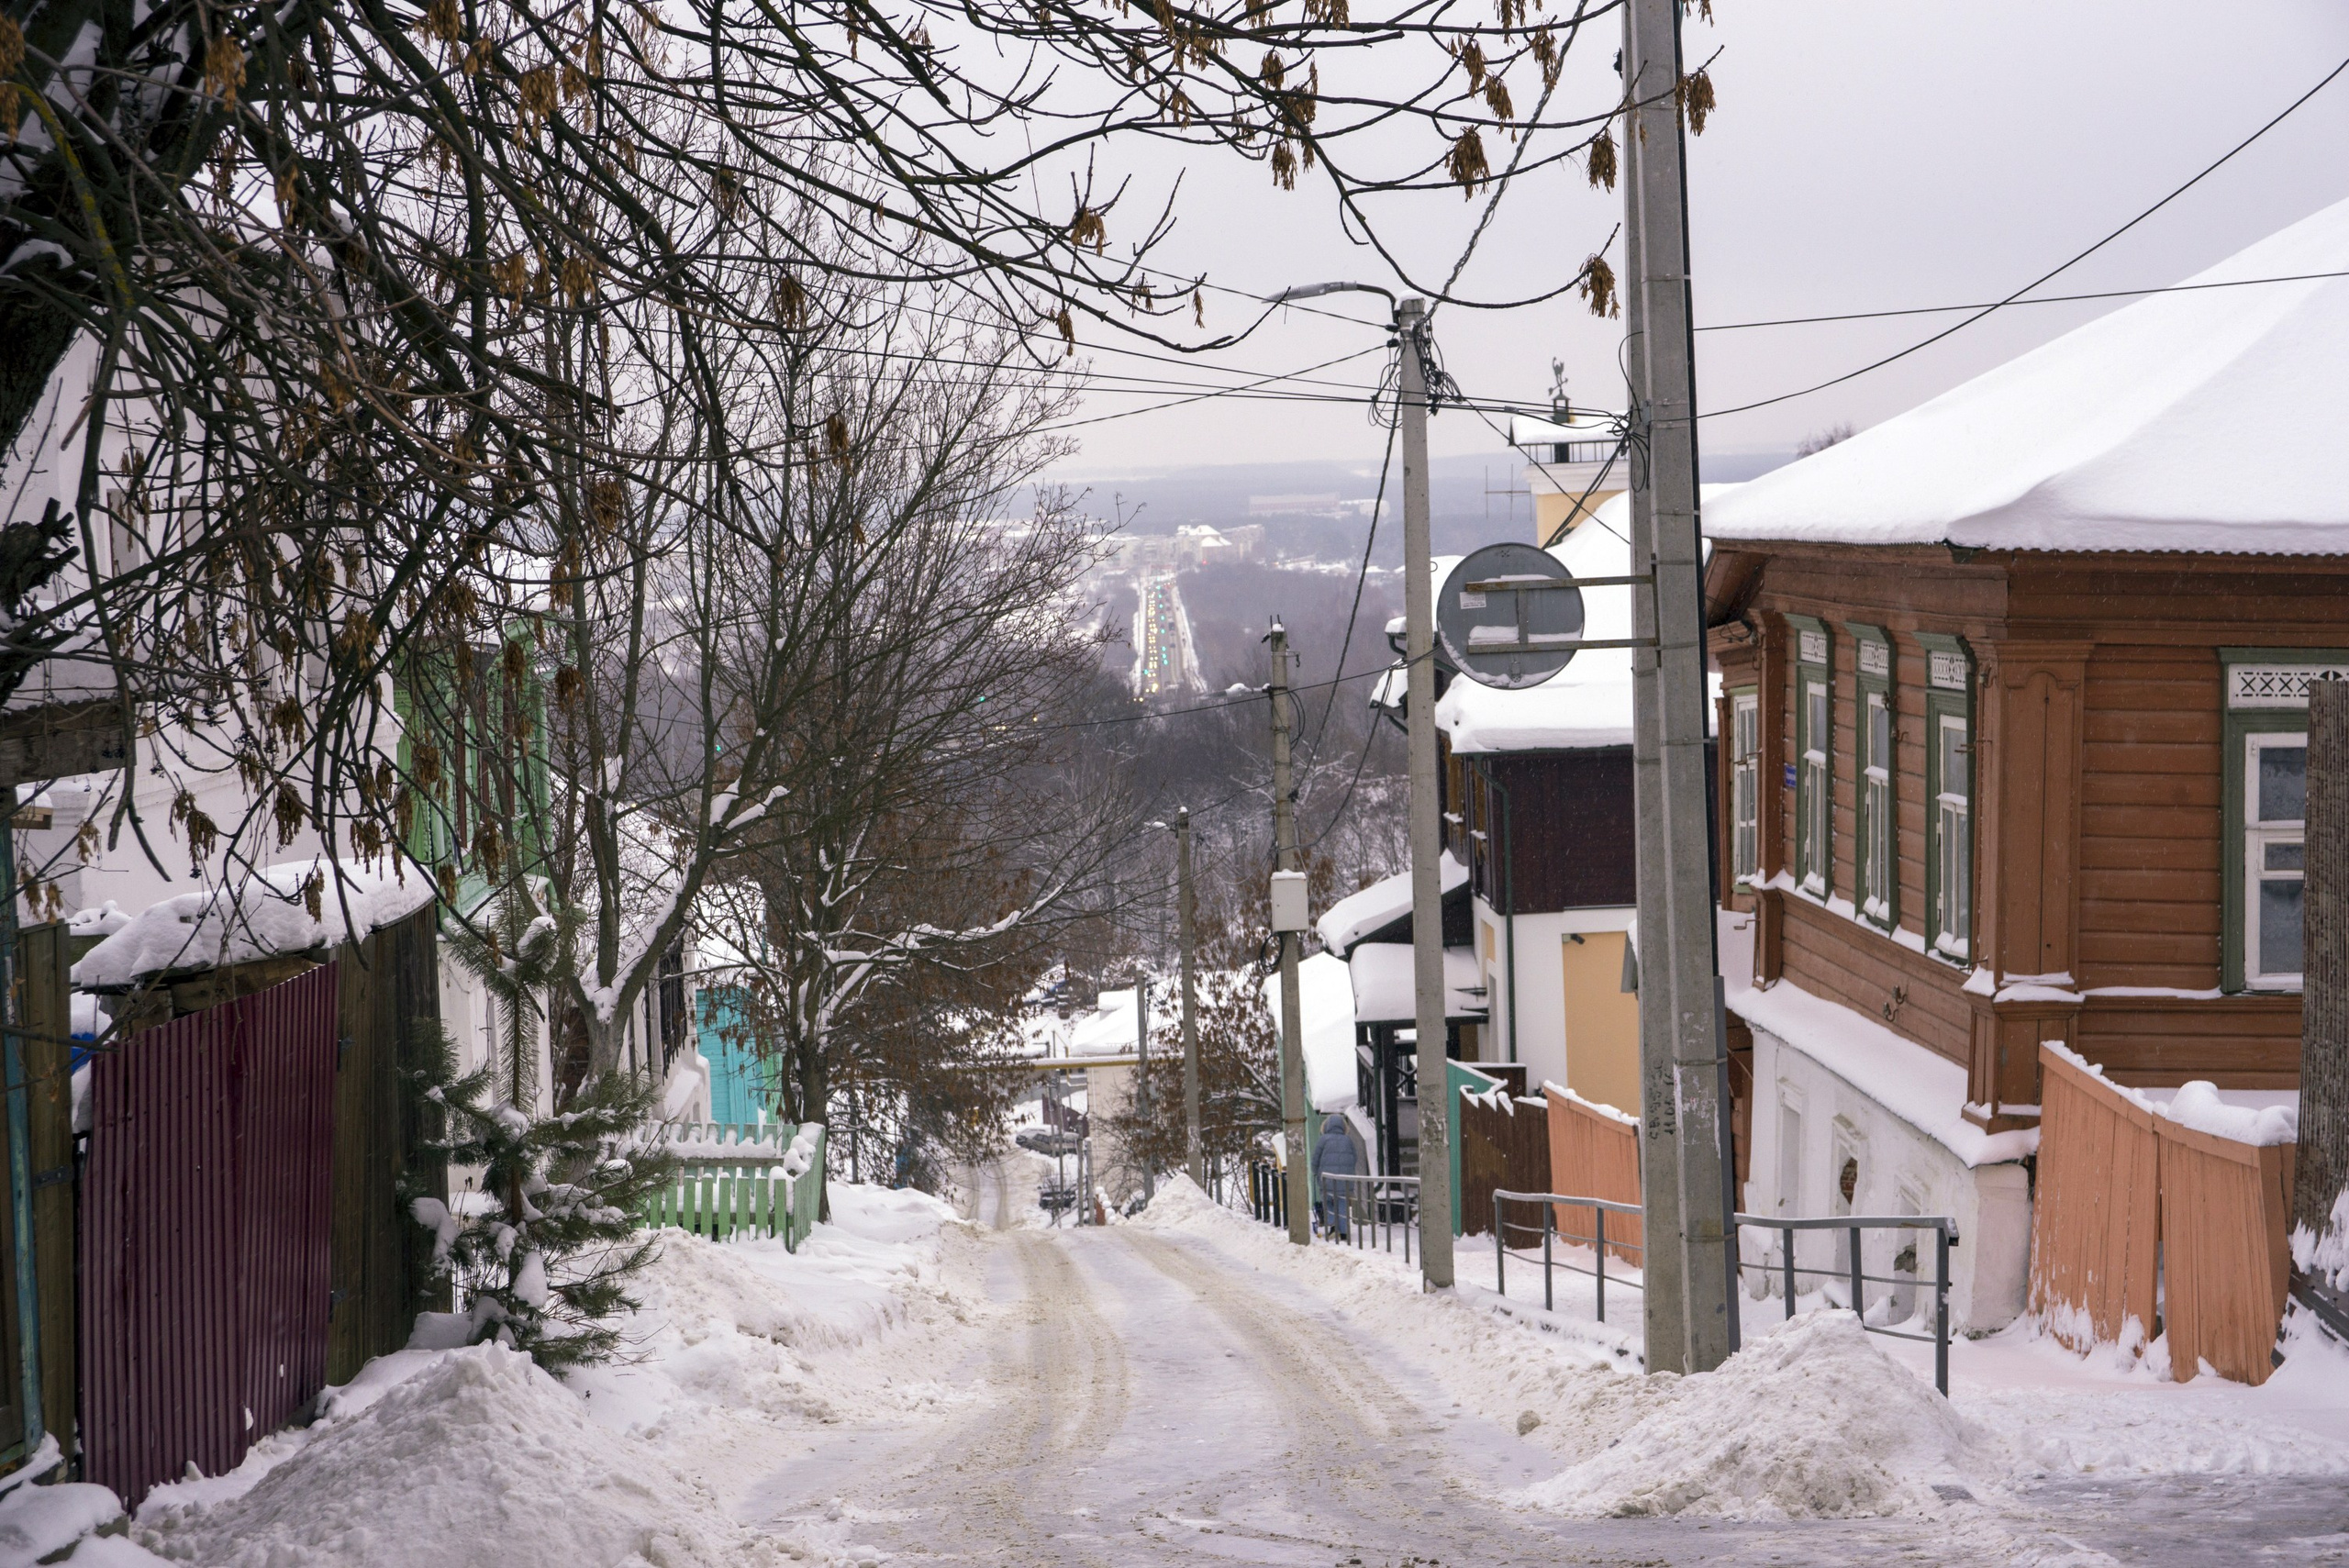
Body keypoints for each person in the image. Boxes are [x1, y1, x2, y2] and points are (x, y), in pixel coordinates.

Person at [1311, 1114, 1358, 1240]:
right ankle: (1344, 1233)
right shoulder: (1348, 1140)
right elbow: (1355, 1158)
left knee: (1327, 1201)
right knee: (1342, 1203)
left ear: (1326, 1126)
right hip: (1345, 1179)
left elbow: (1316, 1159)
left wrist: (1315, 1171)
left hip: (1328, 1179)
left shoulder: (1323, 1139)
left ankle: (1333, 1224)